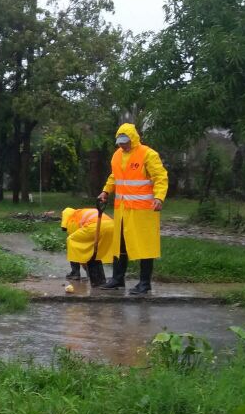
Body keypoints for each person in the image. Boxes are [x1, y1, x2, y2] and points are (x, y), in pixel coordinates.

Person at [97, 123, 168, 295]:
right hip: (122, 210)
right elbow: (115, 176)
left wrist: (159, 197)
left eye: (125, 141)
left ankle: (144, 283)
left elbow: (160, 177)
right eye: (120, 142)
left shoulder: (148, 154)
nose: (122, 145)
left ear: (134, 139)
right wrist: (106, 191)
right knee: (119, 245)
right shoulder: (117, 156)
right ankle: (117, 279)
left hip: (143, 210)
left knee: (145, 245)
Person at [60, 206, 116, 286]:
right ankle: (111, 278)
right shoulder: (81, 212)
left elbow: (79, 248)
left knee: (71, 241)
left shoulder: (72, 220)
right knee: (95, 251)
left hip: (96, 226)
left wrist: (85, 267)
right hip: (111, 226)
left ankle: (75, 273)